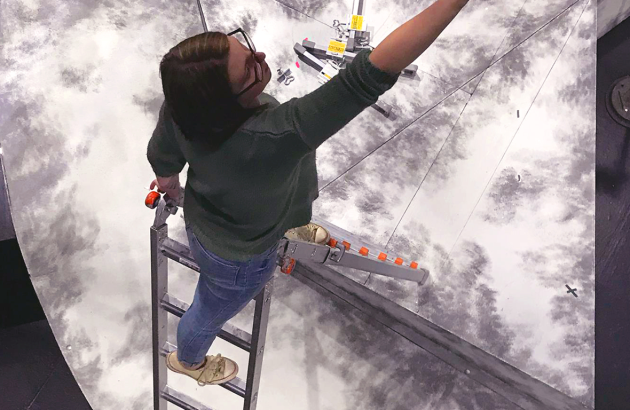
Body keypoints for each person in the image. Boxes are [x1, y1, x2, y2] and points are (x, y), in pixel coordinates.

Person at [147, 0, 469, 387]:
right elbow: (371, 72)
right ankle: (188, 360)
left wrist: (173, 188)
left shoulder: (184, 106)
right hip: (239, 257)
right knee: (209, 311)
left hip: (212, 219)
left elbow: (161, 157)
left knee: (283, 205)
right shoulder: (279, 134)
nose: (260, 55)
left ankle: (290, 227)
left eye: (244, 47)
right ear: (225, 101)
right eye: (249, 67)